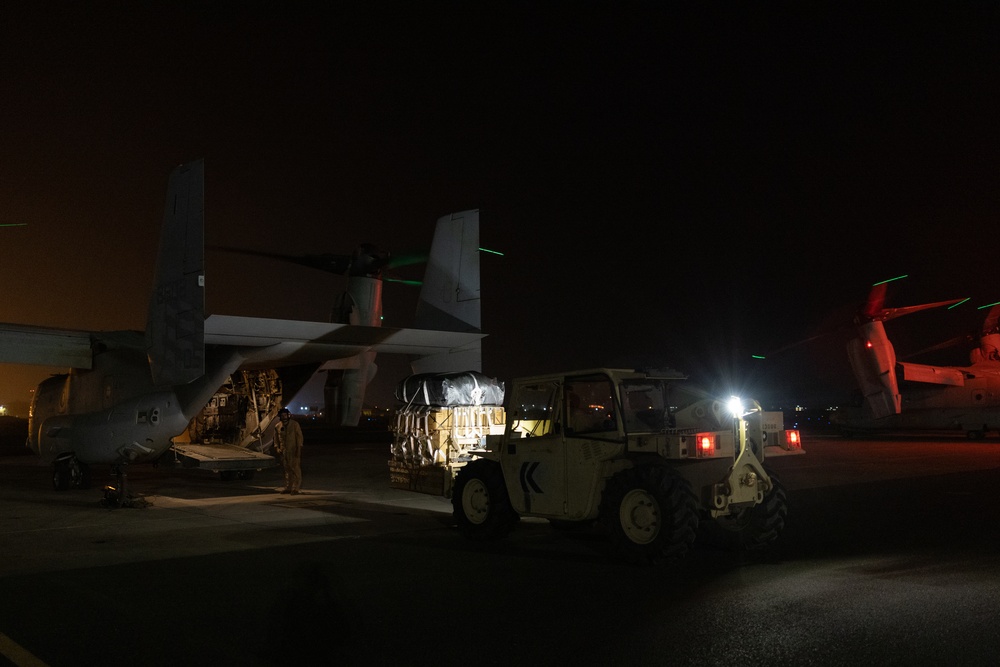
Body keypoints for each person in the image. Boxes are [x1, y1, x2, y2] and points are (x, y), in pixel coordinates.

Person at [275, 407, 303, 494]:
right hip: (284, 451)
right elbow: (276, 438)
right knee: (287, 470)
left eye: (285, 415)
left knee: (295, 469)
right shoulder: (278, 426)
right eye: (282, 415)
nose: (284, 417)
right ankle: (288, 487)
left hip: (293, 450)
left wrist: (298, 449)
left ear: (288, 415)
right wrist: (277, 448)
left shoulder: (295, 425)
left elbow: (299, 438)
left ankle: (296, 488)